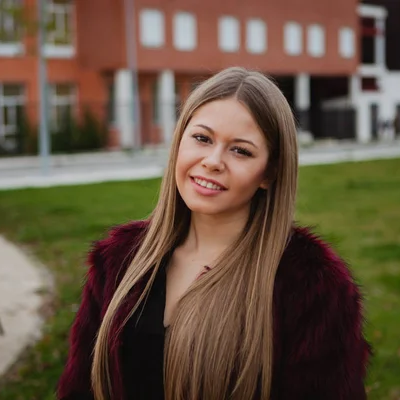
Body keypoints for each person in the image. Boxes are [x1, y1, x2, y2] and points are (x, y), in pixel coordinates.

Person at [57, 67, 370, 400]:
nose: (212, 161)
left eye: (241, 150)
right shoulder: (118, 261)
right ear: (179, 141)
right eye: (202, 138)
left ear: (270, 172)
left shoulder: (311, 286)